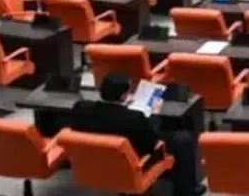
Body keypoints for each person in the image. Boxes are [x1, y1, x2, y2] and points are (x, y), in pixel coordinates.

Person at [68, 73, 199, 196]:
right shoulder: (134, 118)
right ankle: (186, 192)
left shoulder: (80, 108)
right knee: (183, 139)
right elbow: (152, 143)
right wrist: (154, 114)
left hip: (95, 162)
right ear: (124, 96)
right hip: (134, 161)